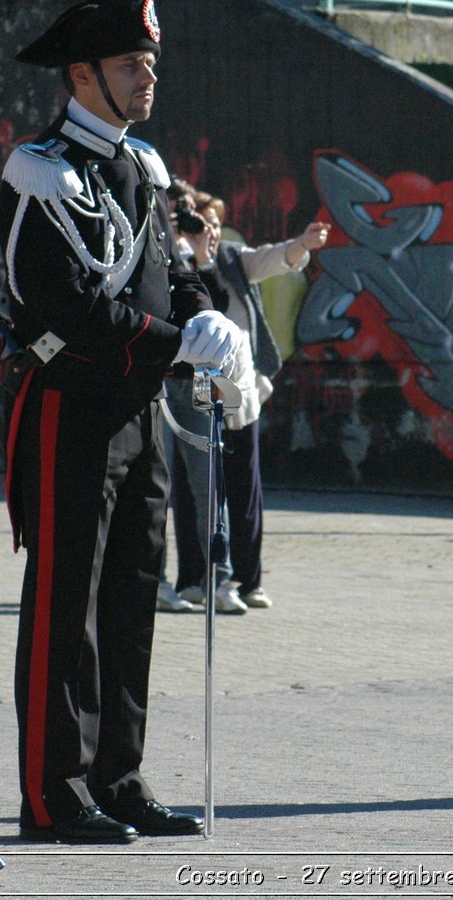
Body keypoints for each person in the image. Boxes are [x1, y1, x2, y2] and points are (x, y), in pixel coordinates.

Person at [0, 0, 241, 843]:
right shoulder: (41, 173)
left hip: (139, 411)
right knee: (68, 605)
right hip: (69, 408)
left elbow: (170, 270)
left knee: (132, 597)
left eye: (151, 63)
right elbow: (65, 307)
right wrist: (177, 343)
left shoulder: (139, 167)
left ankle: (116, 775)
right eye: (134, 64)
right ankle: (52, 791)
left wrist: (207, 313)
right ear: (83, 73)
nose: (149, 77)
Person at [161, 181, 327, 614]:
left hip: (238, 394)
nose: (209, 231)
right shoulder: (174, 263)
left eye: (215, 224)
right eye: (201, 223)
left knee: (242, 488)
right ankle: (196, 579)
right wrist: (195, 256)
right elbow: (202, 307)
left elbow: (276, 258)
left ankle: (246, 581)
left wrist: (303, 245)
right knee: (195, 489)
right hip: (190, 390)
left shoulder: (234, 260)